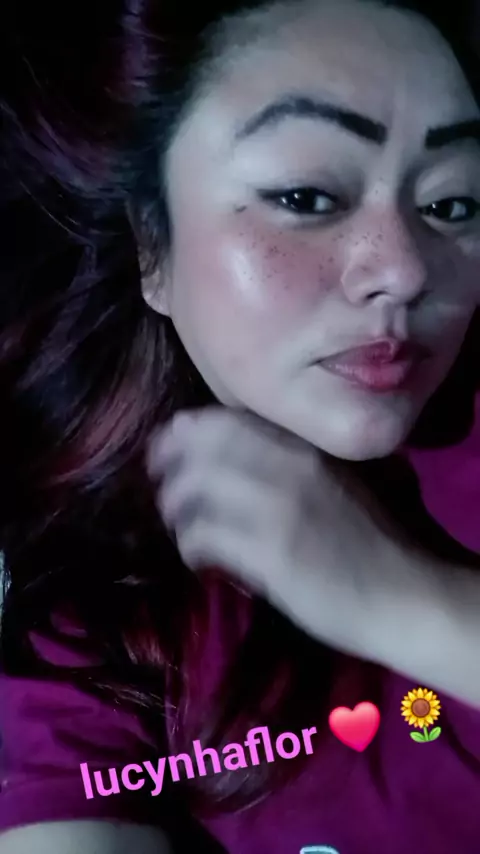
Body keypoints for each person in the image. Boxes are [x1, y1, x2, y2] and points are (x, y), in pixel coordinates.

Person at [1, 0, 480, 851]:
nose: (406, 269)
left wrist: (401, 599)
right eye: (307, 196)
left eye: (452, 204)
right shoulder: (94, 629)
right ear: (152, 244)